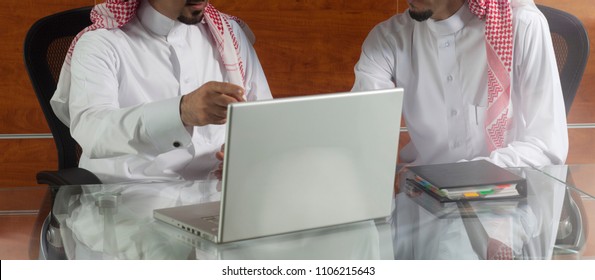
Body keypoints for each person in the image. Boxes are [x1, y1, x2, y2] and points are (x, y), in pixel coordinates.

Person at [51, 0, 272, 183]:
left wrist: (246, 159)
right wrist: (180, 112)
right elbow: (93, 131)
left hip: (215, 197)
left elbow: (264, 121)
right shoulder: (101, 44)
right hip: (130, 203)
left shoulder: (228, 34)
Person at [352, 0, 568, 168]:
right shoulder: (387, 40)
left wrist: (458, 178)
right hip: (423, 201)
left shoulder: (523, 24)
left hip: (508, 200)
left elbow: (547, 147)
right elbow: (364, 135)